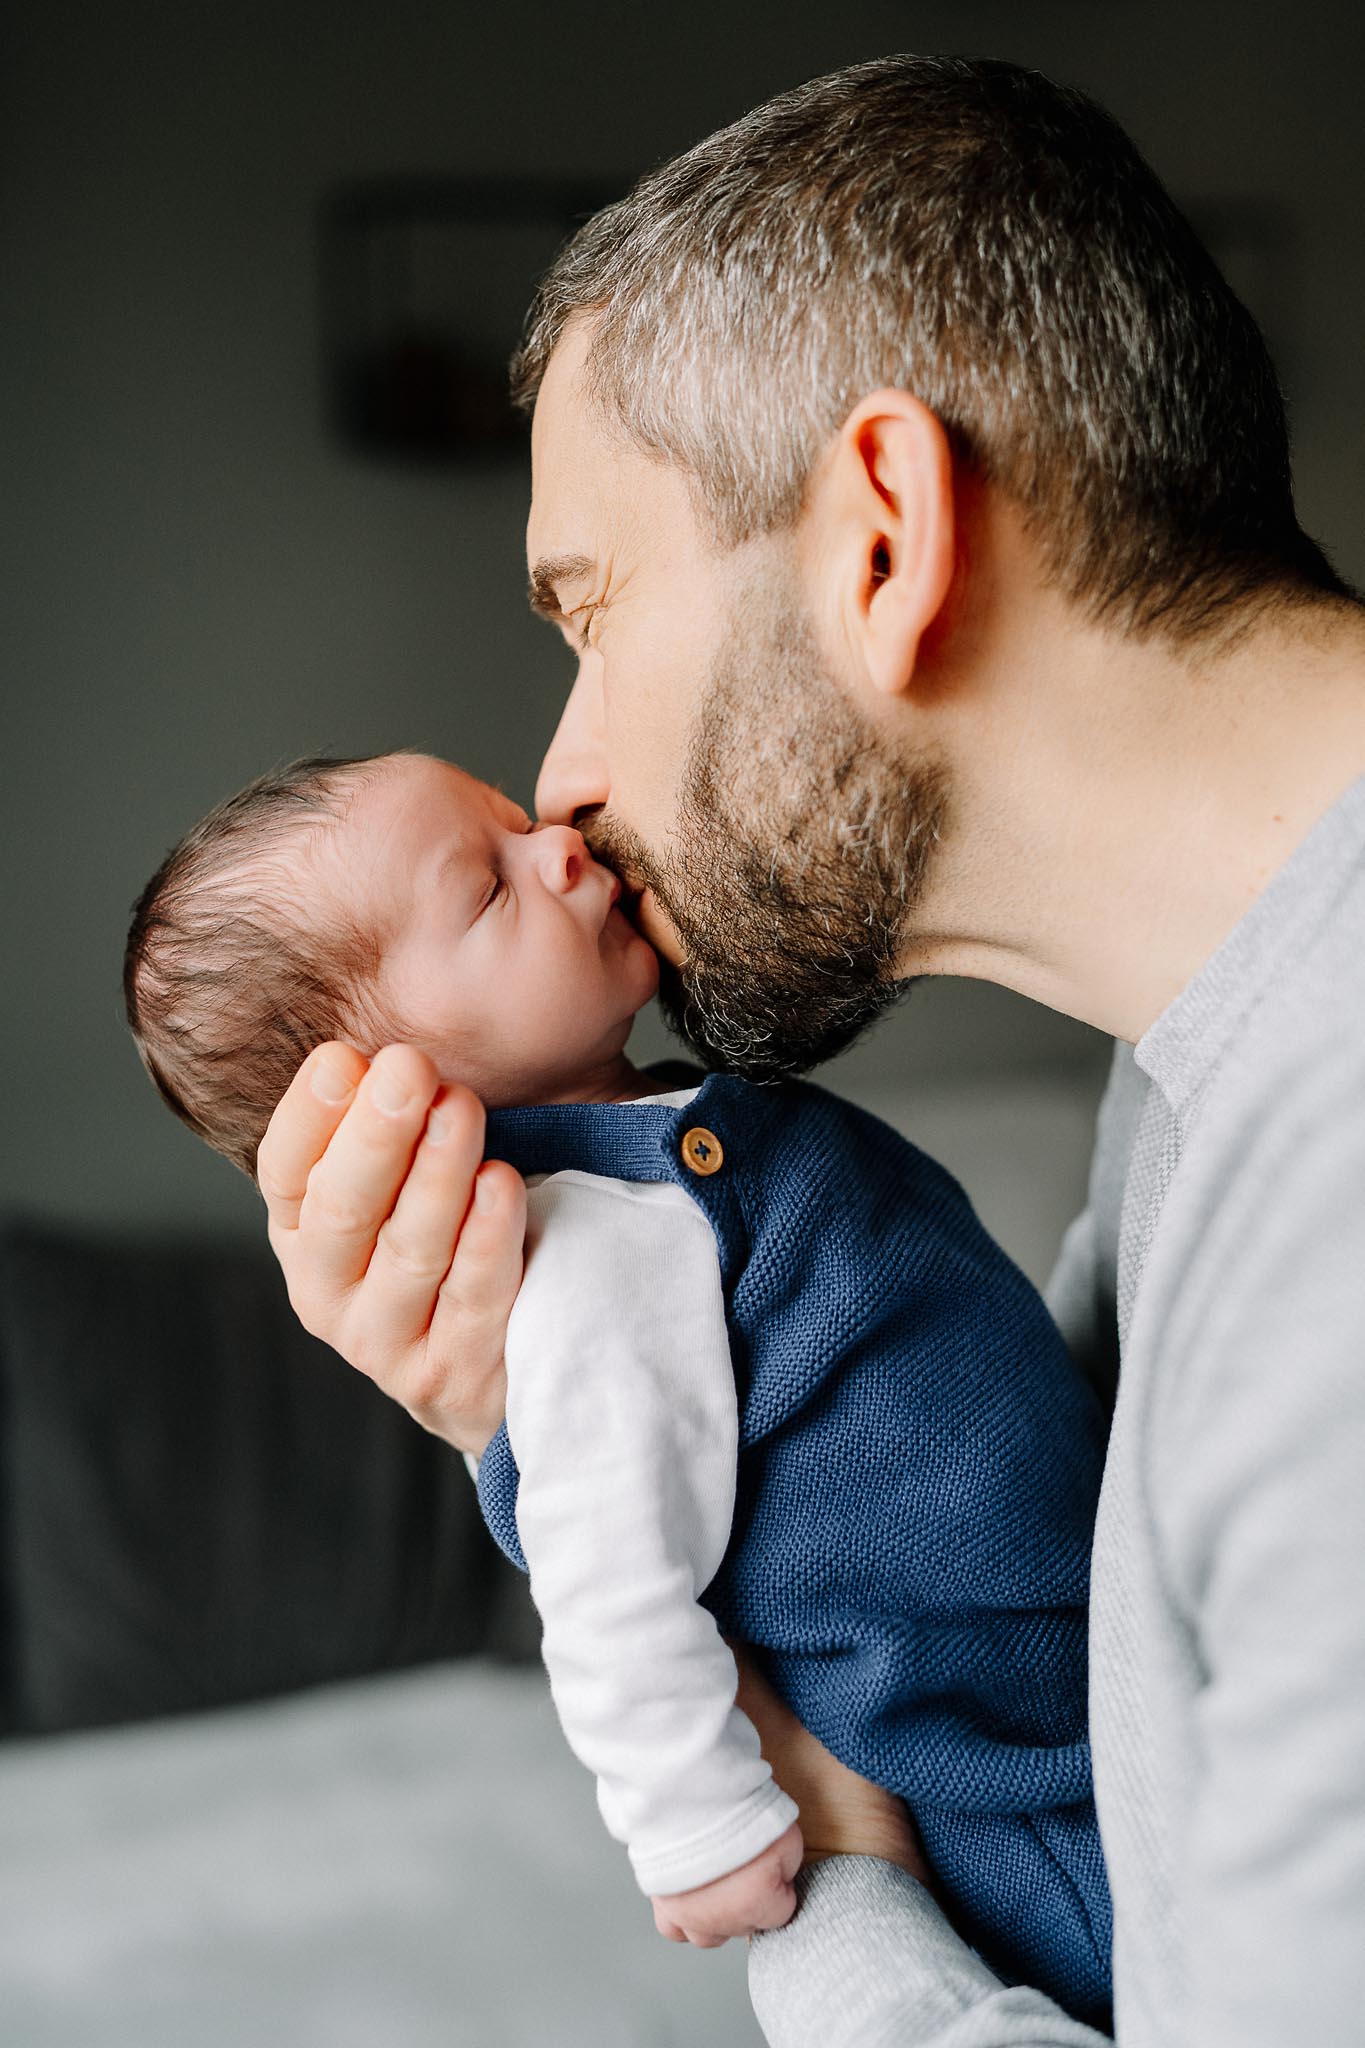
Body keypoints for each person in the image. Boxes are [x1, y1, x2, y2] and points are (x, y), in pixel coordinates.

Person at [251, 54, 1365, 2048]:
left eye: (588, 614)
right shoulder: (1206, 1042)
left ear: (878, 535)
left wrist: (833, 1863)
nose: (562, 777)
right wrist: (547, 1405)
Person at [123, 747, 1112, 2023]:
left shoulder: (685, 1134)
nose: (559, 842)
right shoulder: (586, 1253)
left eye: (510, 820)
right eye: (486, 889)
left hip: (1066, 1646)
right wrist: (697, 1817)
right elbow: (604, 1571)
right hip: (997, 1770)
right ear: (395, 1094)